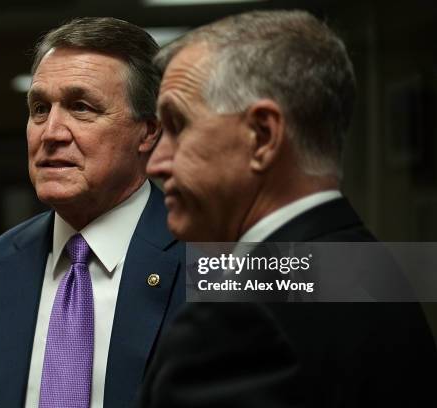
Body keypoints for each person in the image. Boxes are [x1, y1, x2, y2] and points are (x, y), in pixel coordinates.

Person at [142, 10, 437, 407]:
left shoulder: (241, 319)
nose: (156, 163)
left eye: (178, 126)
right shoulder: (374, 266)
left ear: (263, 136)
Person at [0, 17, 186, 408]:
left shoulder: (223, 261)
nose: (51, 132)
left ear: (148, 131)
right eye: (39, 108)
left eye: (81, 107)